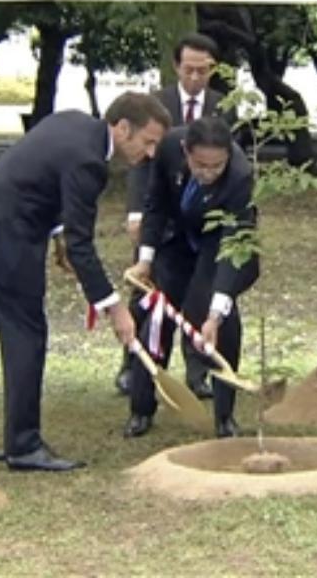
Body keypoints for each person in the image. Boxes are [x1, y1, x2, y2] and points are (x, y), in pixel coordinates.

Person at [0, 92, 169, 471]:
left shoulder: (74, 123)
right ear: (123, 128)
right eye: (149, 142)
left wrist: (56, 234)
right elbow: (82, 244)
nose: (152, 152)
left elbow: (43, 180)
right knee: (26, 336)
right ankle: (23, 445)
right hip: (6, 237)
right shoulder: (90, 161)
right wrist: (113, 307)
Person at [123, 117, 258, 439]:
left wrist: (215, 311)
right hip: (176, 241)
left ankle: (224, 416)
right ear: (186, 151)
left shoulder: (240, 176)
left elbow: (232, 247)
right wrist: (145, 259)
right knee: (156, 317)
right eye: (200, 165)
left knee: (220, 322)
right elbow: (155, 204)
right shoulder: (169, 147)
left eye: (216, 166)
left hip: (218, 246)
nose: (208, 173)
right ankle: (141, 409)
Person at [116, 33, 227, 399]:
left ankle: (198, 373)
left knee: (198, 293)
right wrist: (138, 212)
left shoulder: (224, 106)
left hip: (200, 221)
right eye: (189, 69)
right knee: (146, 294)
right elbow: (141, 162)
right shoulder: (155, 104)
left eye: (204, 70)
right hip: (157, 211)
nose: (196, 77)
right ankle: (134, 368)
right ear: (177, 66)